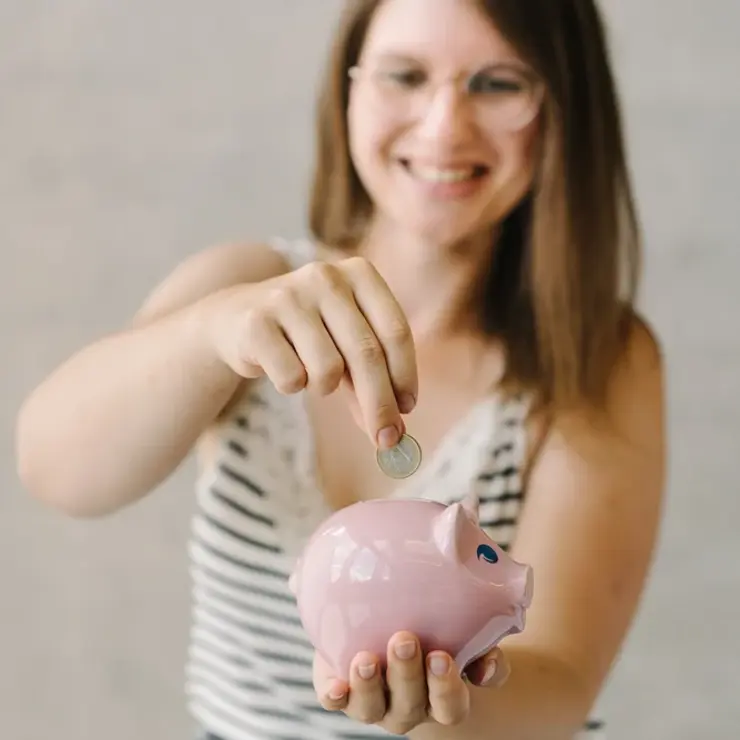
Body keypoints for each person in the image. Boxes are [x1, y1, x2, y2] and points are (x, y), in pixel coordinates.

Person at [15, 0, 666, 738]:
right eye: (405, 75)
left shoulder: (597, 359)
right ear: (348, 90)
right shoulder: (247, 289)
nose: (444, 125)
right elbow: (55, 471)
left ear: (563, 106)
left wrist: (444, 709)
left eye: (498, 83)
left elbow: (561, 686)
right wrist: (207, 332)